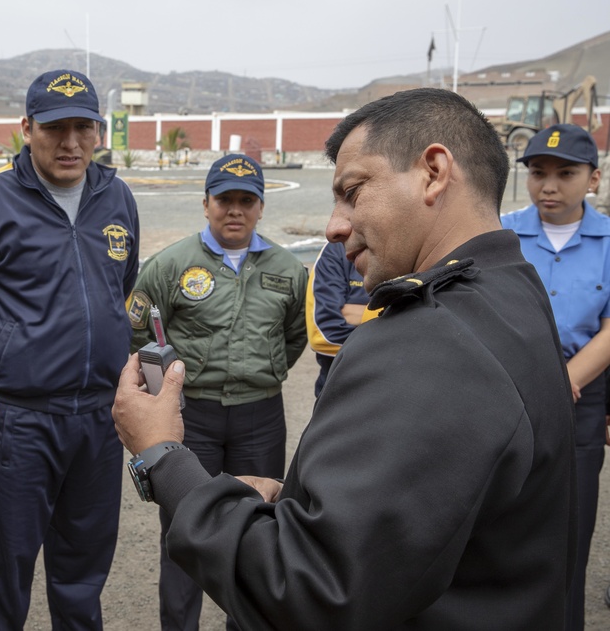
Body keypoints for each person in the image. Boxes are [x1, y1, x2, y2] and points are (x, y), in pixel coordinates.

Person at [112, 88, 576, 629]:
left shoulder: (430, 343)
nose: (334, 226)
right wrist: (295, 503)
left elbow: (307, 593)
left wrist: (163, 455)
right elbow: (433, 513)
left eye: (353, 191)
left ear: (433, 172)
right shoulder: (510, 289)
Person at [0, 68, 139, 630]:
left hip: (99, 419)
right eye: (55, 128)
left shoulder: (116, 197)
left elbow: (121, 292)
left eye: (83, 128)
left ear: (98, 130)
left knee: (84, 570)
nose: (70, 143)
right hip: (20, 419)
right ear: (26, 128)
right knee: (4, 569)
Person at [126, 153, 307, 631]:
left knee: (260, 528)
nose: (235, 210)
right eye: (225, 199)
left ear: (261, 207)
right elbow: (138, 334)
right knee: (185, 531)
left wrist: (262, 372)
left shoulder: (289, 270)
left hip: (260, 418)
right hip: (192, 418)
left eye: (247, 200)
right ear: (205, 202)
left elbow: (294, 337)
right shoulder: (170, 265)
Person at [500, 123, 607, 631]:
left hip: (579, 396)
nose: (549, 185)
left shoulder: (609, 242)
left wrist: (562, 378)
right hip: (507, 393)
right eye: (539, 172)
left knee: (570, 529)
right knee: (504, 526)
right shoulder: (500, 234)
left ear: (593, 179)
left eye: (566, 174)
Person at [304, 240, 368, 397]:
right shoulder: (337, 249)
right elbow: (323, 335)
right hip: (340, 393)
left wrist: (364, 315)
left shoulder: (415, 249)